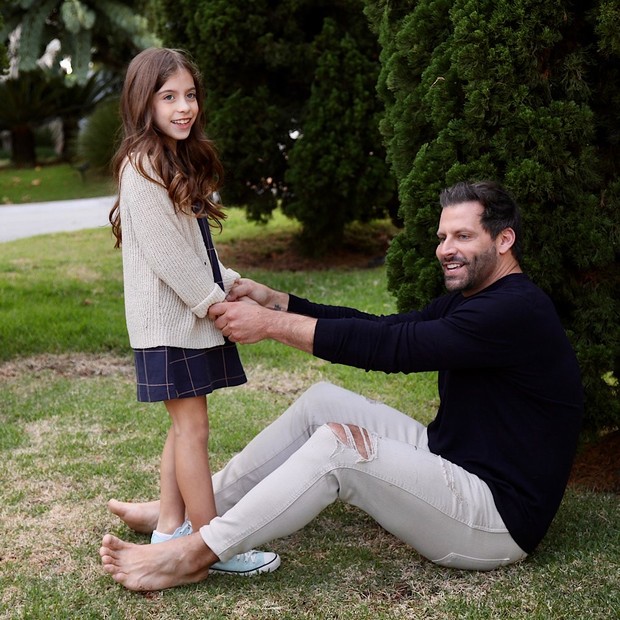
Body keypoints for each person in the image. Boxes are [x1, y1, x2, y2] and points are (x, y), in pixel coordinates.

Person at [100, 181, 583, 592]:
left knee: (339, 448)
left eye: (463, 235)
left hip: (496, 518)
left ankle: (195, 553)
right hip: (453, 460)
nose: (445, 249)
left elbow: (391, 350)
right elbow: (384, 327)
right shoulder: (481, 298)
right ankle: (183, 506)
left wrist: (269, 324)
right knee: (322, 403)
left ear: (504, 240)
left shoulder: (513, 311)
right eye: (442, 236)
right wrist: (281, 302)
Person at [107, 47, 279, 575]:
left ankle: (169, 528)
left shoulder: (172, 160)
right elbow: (170, 258)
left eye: (190, 95)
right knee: (192, 429)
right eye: (169, 97)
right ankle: (212, 542)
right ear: (144, 103)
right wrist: (213, 303)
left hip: (186, 318)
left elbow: (197, 250)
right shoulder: (142, 166)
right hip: (172, 322)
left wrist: (232, 283)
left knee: (183, 427)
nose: (184, 107)